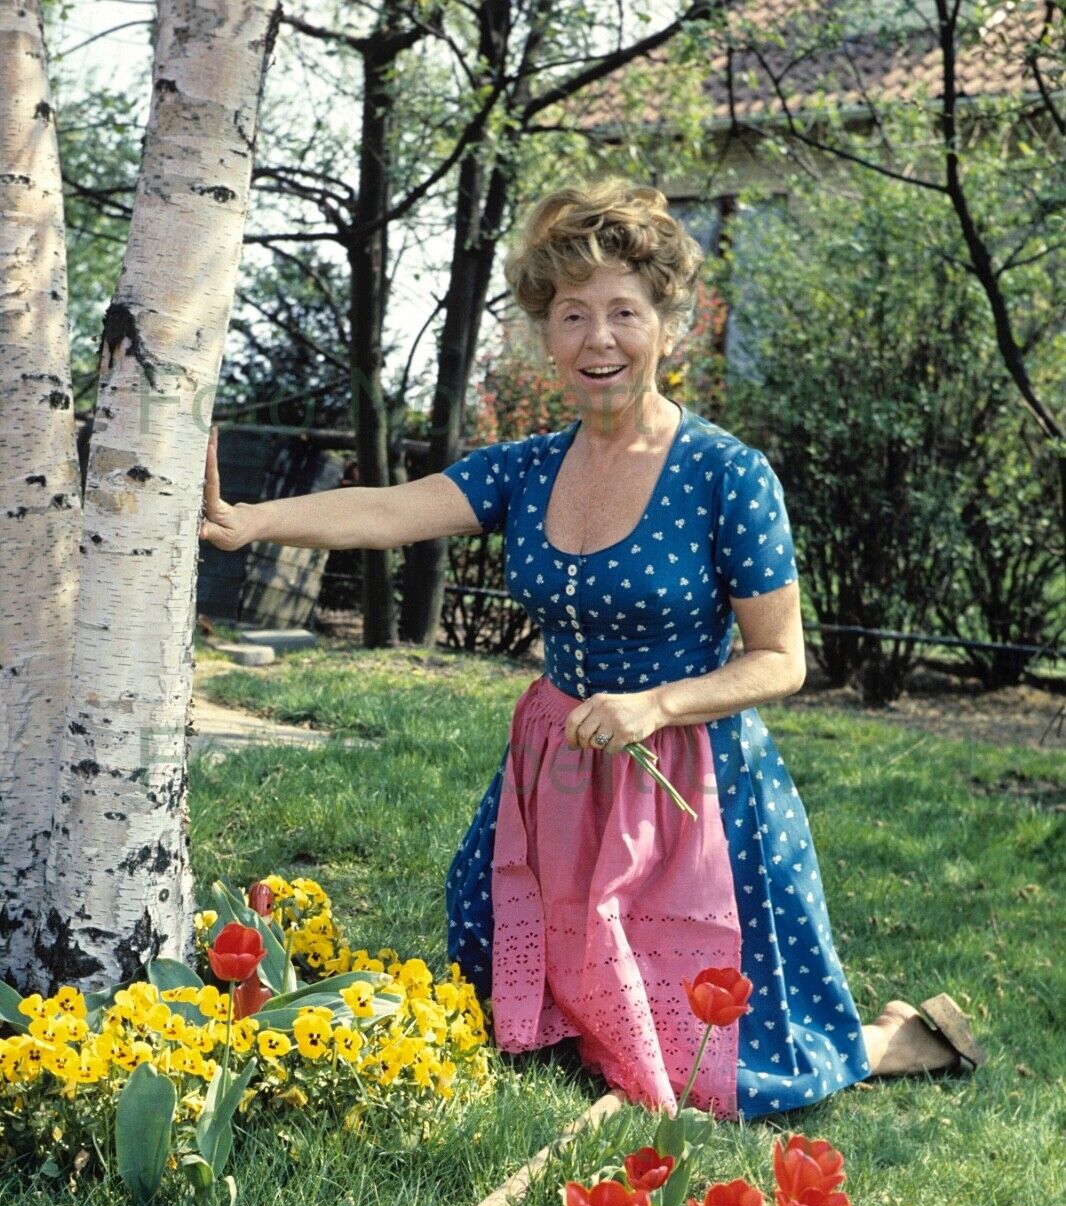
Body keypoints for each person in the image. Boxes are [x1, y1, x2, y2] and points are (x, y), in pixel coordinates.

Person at [200, 178, 984, 1119]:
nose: (598, 340)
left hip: (689, 786)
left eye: (624, 312)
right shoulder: (527, 466)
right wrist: (250, 521)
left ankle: (901, 1039)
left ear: (670, 326)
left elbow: (783, 660)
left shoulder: (726, 474)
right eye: (573, 316)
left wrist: (655, 706)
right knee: (539, 1029)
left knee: (718, 1074)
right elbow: (390, 509)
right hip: (558, 774)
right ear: (547, 335)